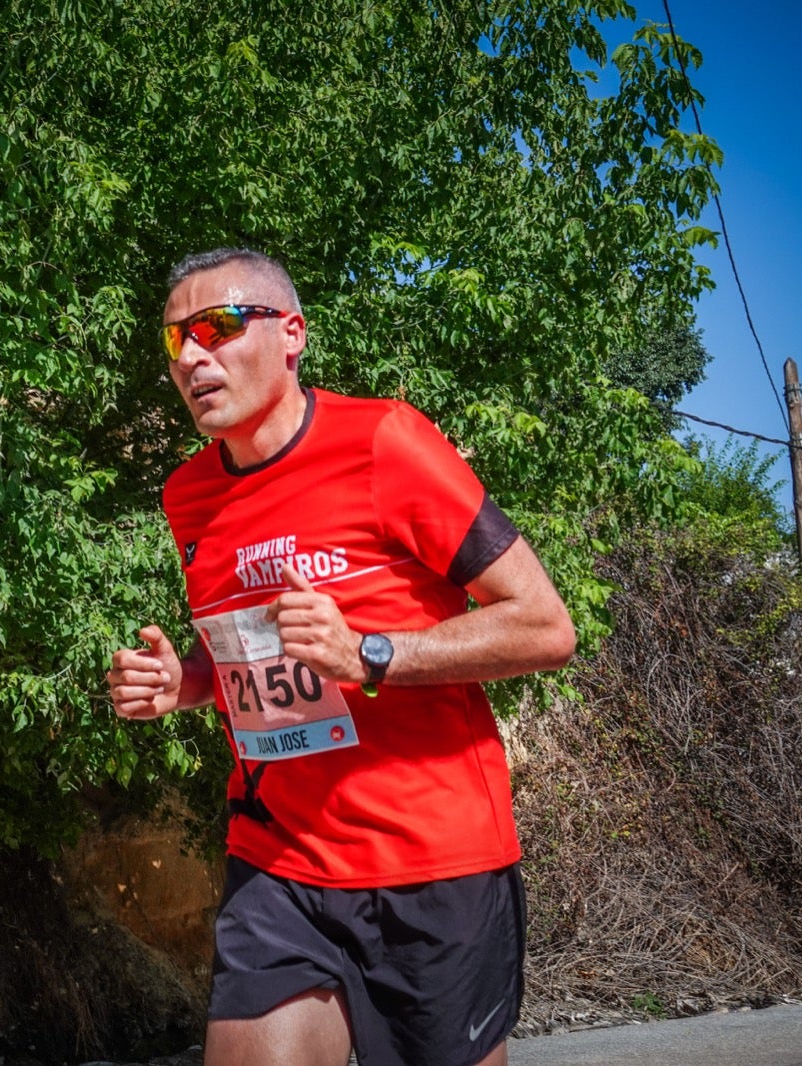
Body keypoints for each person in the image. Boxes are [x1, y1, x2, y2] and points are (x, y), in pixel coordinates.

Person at [106, 247, 575, 1066]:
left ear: (292, 334)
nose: (191, 357)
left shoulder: (384, 442)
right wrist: (184, 682)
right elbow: (249, 656)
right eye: (173, 340)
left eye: (217, 327)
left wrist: (369, 653)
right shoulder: (188, 496)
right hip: (278, 855)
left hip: (431, 857)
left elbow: (543, 626)